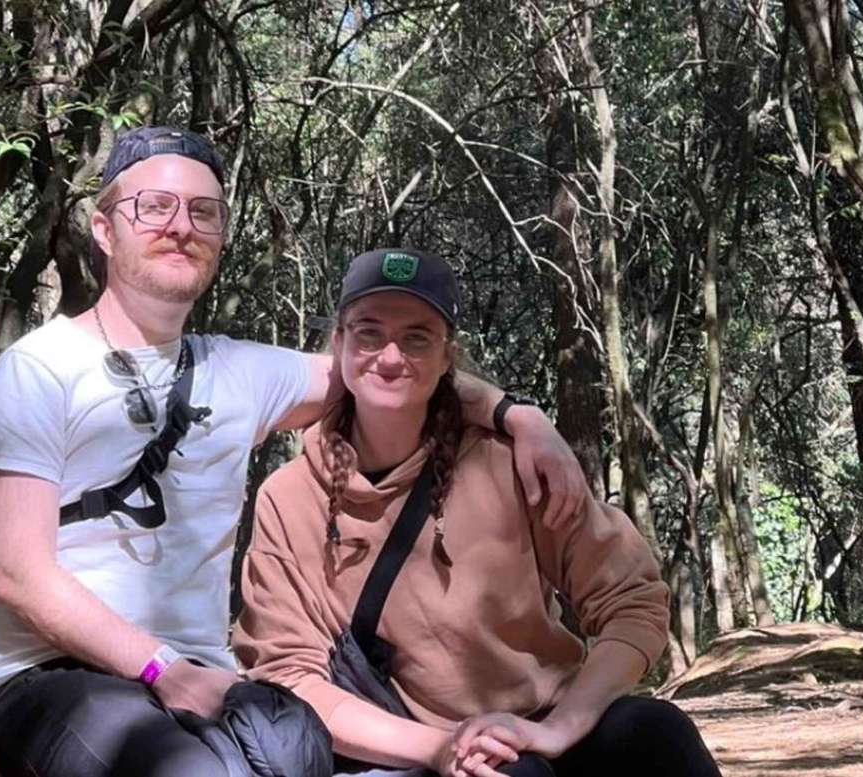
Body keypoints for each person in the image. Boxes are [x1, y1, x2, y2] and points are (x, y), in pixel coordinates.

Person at [0, 126, 590, 777]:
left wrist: (520, 415)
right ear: (104, 228)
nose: (181, 225)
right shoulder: (39, 368)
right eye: (154, 206)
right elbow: (24, 577)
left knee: (303, 755)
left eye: (203, 211)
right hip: (59, 679)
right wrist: (160, 668)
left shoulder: (239, 372)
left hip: (206, 683)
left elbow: (390, 370)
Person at [233, 249, 723, 777]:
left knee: (656, 732)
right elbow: (290, 675)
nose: (390, 357)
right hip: (411, 752)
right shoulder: (290, 498)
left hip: (547, 725)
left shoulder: (511, 462)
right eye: (369, 333)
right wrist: (441, 749)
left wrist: (559, 730)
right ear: (339, 344)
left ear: (448, 354)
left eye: (417, 337)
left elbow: (634, 601)